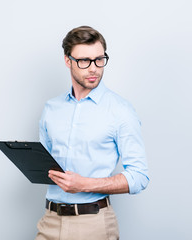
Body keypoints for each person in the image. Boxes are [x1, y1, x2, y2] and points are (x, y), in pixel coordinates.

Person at [35, 26, 149, 240]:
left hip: (93, 223)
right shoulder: (51, 108)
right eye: (84, 61)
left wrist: (84, 184)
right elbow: (46, 166)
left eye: (99, 59)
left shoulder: (120, 110)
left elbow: (139, 177)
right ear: (68, 61)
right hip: (50, 220)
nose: (94, 68)